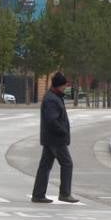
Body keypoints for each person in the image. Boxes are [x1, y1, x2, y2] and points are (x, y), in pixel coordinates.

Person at [32, 72, 78, 203]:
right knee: (67, 164)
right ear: (58, 86)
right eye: (64, 86)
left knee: (45, 166)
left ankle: (38, 194)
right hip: (55, 139)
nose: (65, 88)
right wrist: (62, 131)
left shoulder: (53, 96)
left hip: (50, 138)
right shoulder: (52, 99)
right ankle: (64, 193)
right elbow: (52, 120)